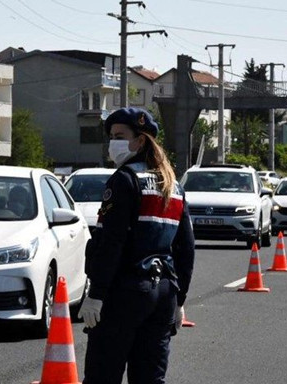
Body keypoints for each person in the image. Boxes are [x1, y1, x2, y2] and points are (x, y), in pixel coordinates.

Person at [78, 107, 195, 384]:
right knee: (150, 378)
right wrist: (180, 300)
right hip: (164, 293)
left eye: (120, 135)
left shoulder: (124, 180)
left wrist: (97, 293)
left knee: (102, 375)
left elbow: (111, 242)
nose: (112, 143)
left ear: (140, 141)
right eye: (111, 136)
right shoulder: (173, 186)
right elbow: (186, 249)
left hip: (125, 292)